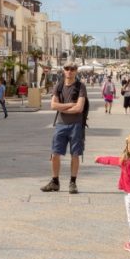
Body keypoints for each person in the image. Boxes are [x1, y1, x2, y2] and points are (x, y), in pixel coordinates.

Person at [41, 61, 87, 194]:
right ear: (63, 70)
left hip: (76, 125)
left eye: (72, 69)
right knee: (55, 154)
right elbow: (53, 105)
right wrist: (69, 105)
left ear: (76, 71)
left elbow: (79, 108)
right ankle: (55, 182)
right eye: (67, 68)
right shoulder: (59, 86)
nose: (69, 71)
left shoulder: (80, 87)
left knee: (75, 154)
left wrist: (63, 107)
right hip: (60, 125)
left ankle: (73, 182)